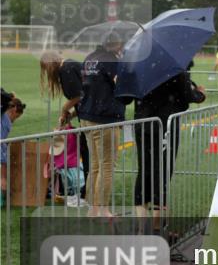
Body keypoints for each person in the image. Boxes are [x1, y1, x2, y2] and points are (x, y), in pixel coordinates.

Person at [131, 62, 206, 226]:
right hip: (165, 124)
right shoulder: (176, 65)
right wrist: (200, 94)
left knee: (144, 169)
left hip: (142, 122)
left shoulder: (141, 64)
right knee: (162, 171)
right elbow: (187, 95)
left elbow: (130, 94)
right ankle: (158, 225)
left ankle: (141, 226)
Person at [78, 32, 126, 218]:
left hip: (87, 116)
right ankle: (102, 209)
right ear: (116, 43)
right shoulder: (112, 61)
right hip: (105, 118)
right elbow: (121, 86)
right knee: (106, 165)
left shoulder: (90, 58)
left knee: (95, 165)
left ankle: (93, 209)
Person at [40, 51, 91, 199]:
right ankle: (86, 191)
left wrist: (64, 110)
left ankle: (88, 193)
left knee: (89, 156)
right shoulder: (67, 68)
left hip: (92, 116)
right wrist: (70, 116)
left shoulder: (66, 69)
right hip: (87, 115)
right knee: (86, 154)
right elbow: (82, 98)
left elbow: (78, 96)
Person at [1, 97, 25, 205]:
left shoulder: (4, 118)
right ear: (14, 110)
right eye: (16, 117)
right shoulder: (5, 121)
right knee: (3, 179)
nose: (15, 120)